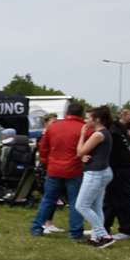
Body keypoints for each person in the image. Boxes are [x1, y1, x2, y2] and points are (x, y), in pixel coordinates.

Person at [31, 100, 86, 238]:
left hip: (54, 168)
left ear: (67, 112)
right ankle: (76, 231)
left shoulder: (54, 127)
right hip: (75, 169)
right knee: (75, 202)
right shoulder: (84, 128)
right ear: (82, 114)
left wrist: (46, 162)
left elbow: (43, 147)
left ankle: (37, 227)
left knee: (48, 199)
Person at [75, 106, 117, 248]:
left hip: (95, 174)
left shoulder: (97, 135)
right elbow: (90, 154)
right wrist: (85, 157)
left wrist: (82, 135)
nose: (86, 121)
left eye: (88, 118)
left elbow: (80, 151)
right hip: (103, 172)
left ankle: (103, 235)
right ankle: (96, 237)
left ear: (97, 119)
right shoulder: (105, 133)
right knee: (96, 206)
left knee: (81, 206)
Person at [105, 107, 130, 240]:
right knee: (110, 199)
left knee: (122, 199)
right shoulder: (115, 129)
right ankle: (103, 227)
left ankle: (126, 230)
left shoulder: (114, 131)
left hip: (122, 168)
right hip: (117, 167)